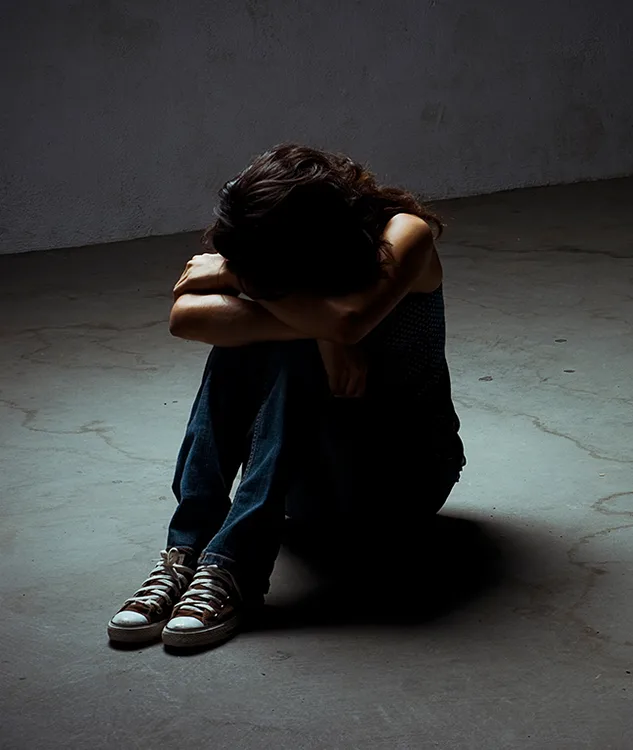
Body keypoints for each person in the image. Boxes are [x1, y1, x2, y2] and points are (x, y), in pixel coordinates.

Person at [107, 145, 466, 649]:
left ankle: (233, 570)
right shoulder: (285, 258)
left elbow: (346, 320)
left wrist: (237, 278)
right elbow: (184, 317)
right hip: (309, 480)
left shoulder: (405, 233)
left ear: (314, 236)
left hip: (399, 480)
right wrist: (315, 333)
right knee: (264, 343)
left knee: (284, 346)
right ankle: (186, 553)